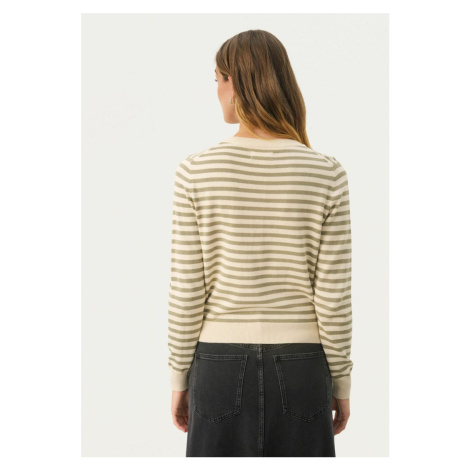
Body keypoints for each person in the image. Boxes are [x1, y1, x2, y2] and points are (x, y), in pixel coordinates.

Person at [168, 29, 353, 457]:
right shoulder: (326, 173)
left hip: (217, 364)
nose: (216, 90)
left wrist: (179, 377)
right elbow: (333, 297)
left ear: (235, 84)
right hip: (304, 365)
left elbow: (187, 289)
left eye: (218, 79)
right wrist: (341, 381)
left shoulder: (195, 171)